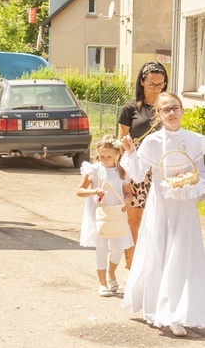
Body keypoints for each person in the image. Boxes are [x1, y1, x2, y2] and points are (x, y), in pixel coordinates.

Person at [121, 92, 205, 337]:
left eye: (175, 108)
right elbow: (137, 175)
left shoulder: (197, 140)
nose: (171, 113)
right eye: (165, 109)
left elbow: (200, 172)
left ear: (183, 110)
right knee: (160, 251)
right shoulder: (153, 142)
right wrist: (129, 152)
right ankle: (165, 310)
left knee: (183, 253)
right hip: (160, 204)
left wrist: (193, 185)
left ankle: (185, 309)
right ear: (157, 114)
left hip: (185, 204)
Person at [117, 61, 167, 275]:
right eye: (152, 84)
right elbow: (121, 140)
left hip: (160, 170)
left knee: (159, 221)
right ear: (142, 82)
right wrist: (120, 172)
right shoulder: (130, 109)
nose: (156, 89)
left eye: (161, 84)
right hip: (137, 170)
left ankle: (155, 269)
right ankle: (132, 268)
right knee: (133, 221)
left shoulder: (167, 107)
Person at [76, 136, 133, 297]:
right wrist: (94, 191)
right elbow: (79, 191)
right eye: (102, 156)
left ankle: (111, 273)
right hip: (99, 212)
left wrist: (127, 202)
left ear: (117, 154)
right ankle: (102, 284)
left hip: (117, 213)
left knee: (117, 248)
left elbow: (129, 193)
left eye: (109, 156)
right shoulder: (93, 170)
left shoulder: (121, 171)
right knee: (101, 248)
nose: (105, 160)